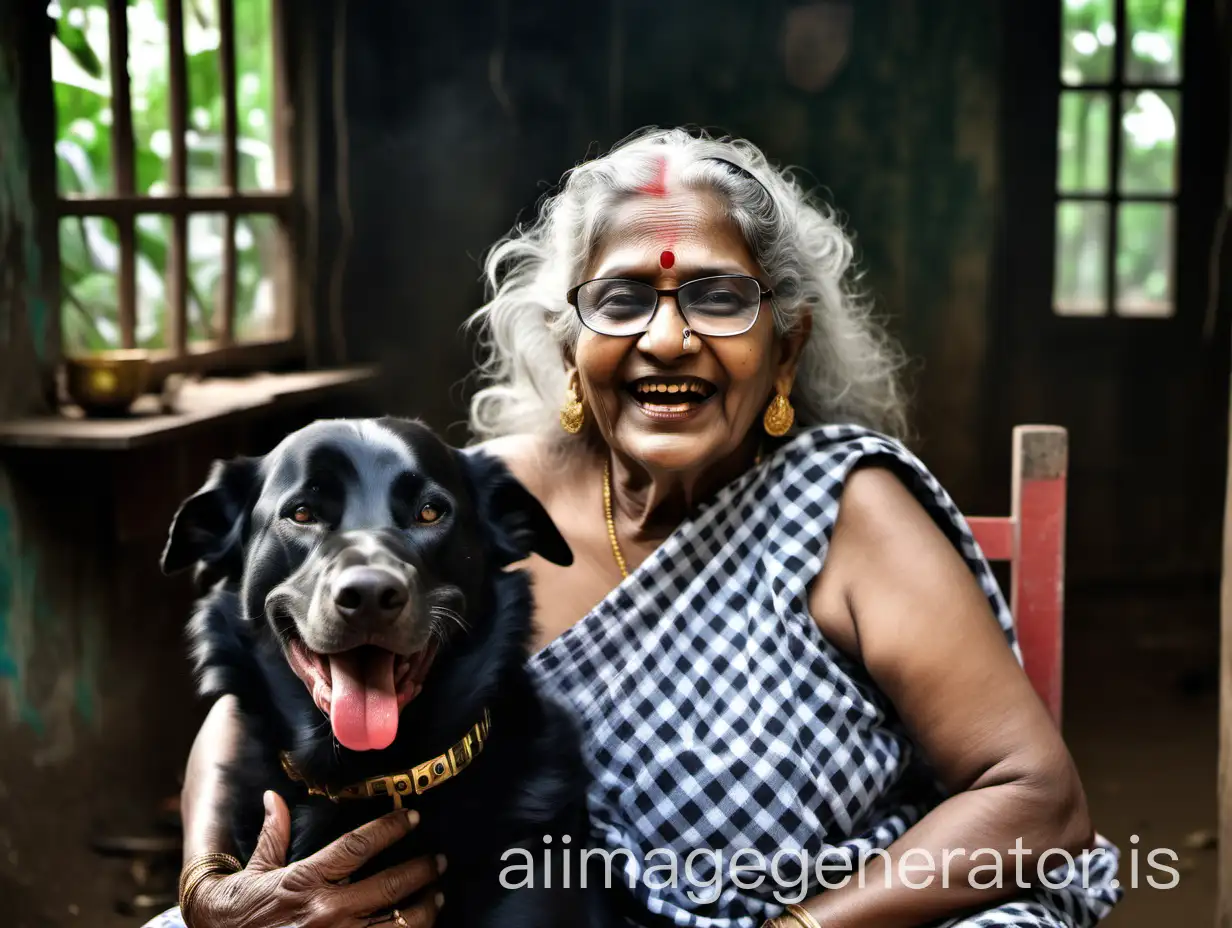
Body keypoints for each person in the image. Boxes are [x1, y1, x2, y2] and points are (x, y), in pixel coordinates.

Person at [146, 127, 1121, 928]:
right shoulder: (473, 508)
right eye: (621, 299)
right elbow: (256, 698)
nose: (665, 337)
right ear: (570, 348)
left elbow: (1034, 799)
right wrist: (207, 886)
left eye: (716, 294)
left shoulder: (844, 509)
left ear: (785, 345)